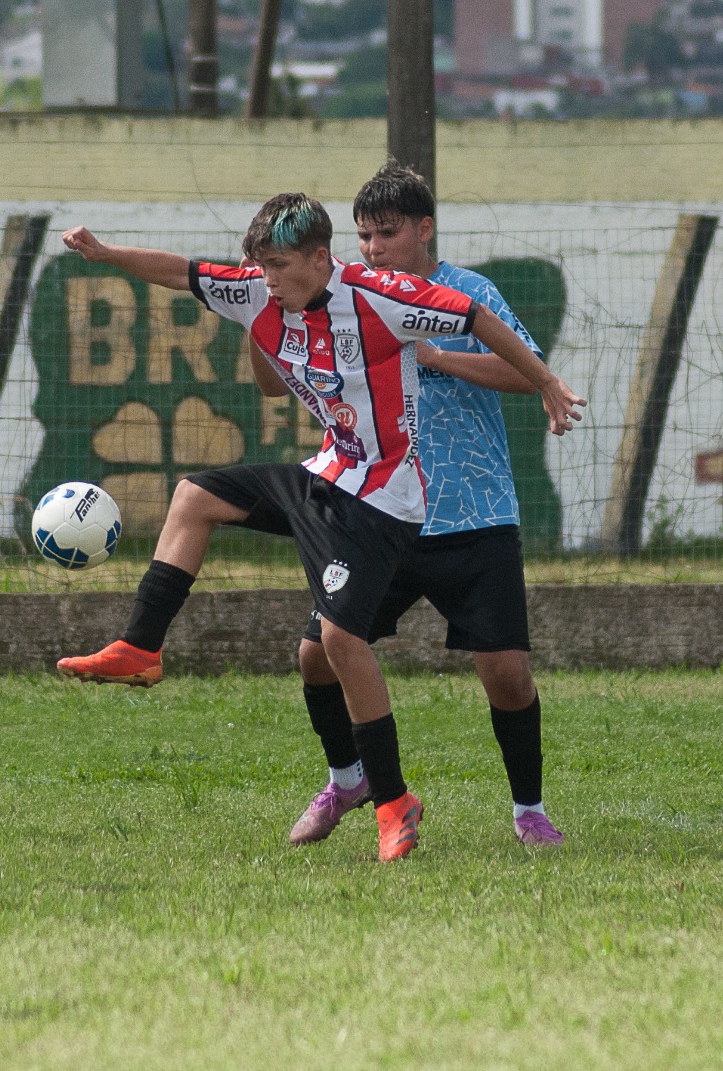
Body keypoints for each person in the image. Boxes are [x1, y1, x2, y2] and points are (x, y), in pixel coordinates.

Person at [54, 193, 585, 862]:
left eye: (278, 265)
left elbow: (473, 315)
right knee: (195, 495)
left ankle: (394, 800)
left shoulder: (378, 295)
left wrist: (546, 383)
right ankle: (141, 647)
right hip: (328, 476)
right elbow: (179, 270)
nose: (266, 279)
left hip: (386, 497)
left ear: (316, 258)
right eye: (260, 267)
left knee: (340, 637)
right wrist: (105, 254)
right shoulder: (259, 291)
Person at [284, 163, 564, 849]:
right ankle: (347, 778)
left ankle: (529, 809)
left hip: (474, 514)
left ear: (424, 228)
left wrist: (436, 357)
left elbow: (526, 370)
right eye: (364, 236)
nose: (374, 248)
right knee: (315, 656)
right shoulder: (350, 297)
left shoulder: (468, 294)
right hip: (379, 514)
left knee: (507, 673)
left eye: (387, 233)